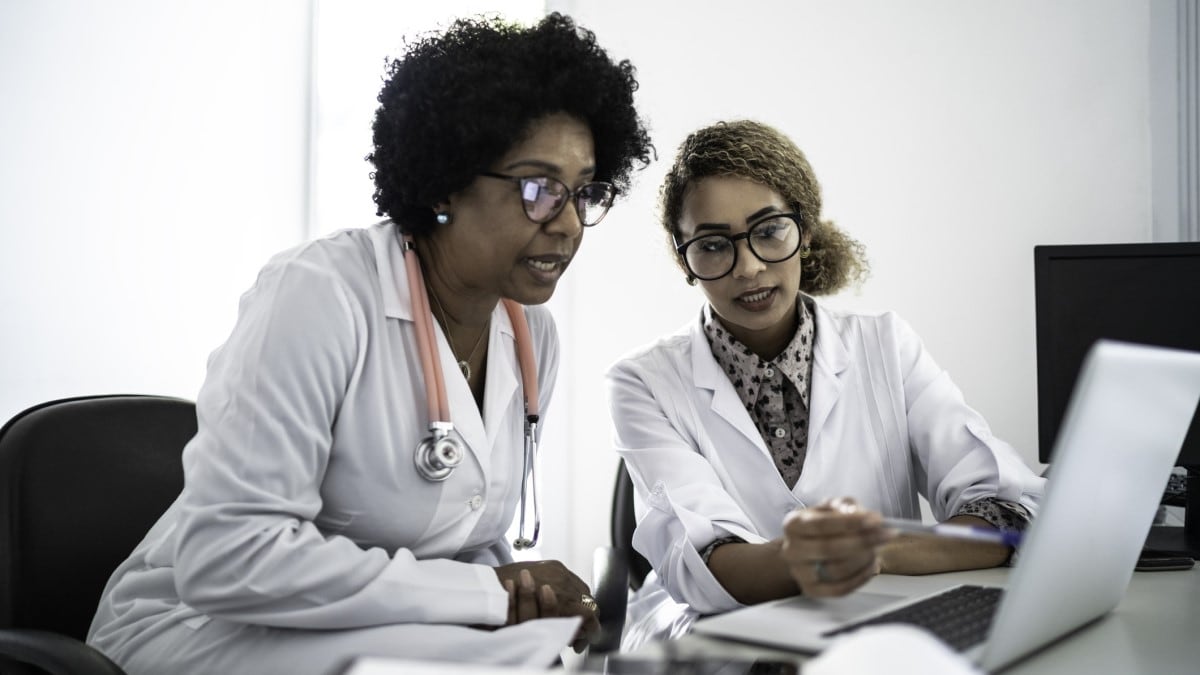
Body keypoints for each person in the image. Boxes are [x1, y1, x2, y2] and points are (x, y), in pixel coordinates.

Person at [87, 13, 652, 674]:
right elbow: (227, 555)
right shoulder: (320, 294)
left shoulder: (531, 335)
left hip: (380, 629)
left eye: (585, 192)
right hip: (200, 627)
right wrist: (480, 594)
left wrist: (522, 592)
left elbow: (461, 537)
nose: (570, 224)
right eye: (538, 189)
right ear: (444, 181)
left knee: (543, 654)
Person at [606, 120, 1044, 649]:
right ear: (685, 259)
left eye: (769, 231)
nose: (747, 267)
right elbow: (702, 562)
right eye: (714, 244)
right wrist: (812, 558)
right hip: (717, 640)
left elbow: (1005, 509)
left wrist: (876, 552)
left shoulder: (886, 345)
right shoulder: (642, 382)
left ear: (804, 230)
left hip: (875, 634)